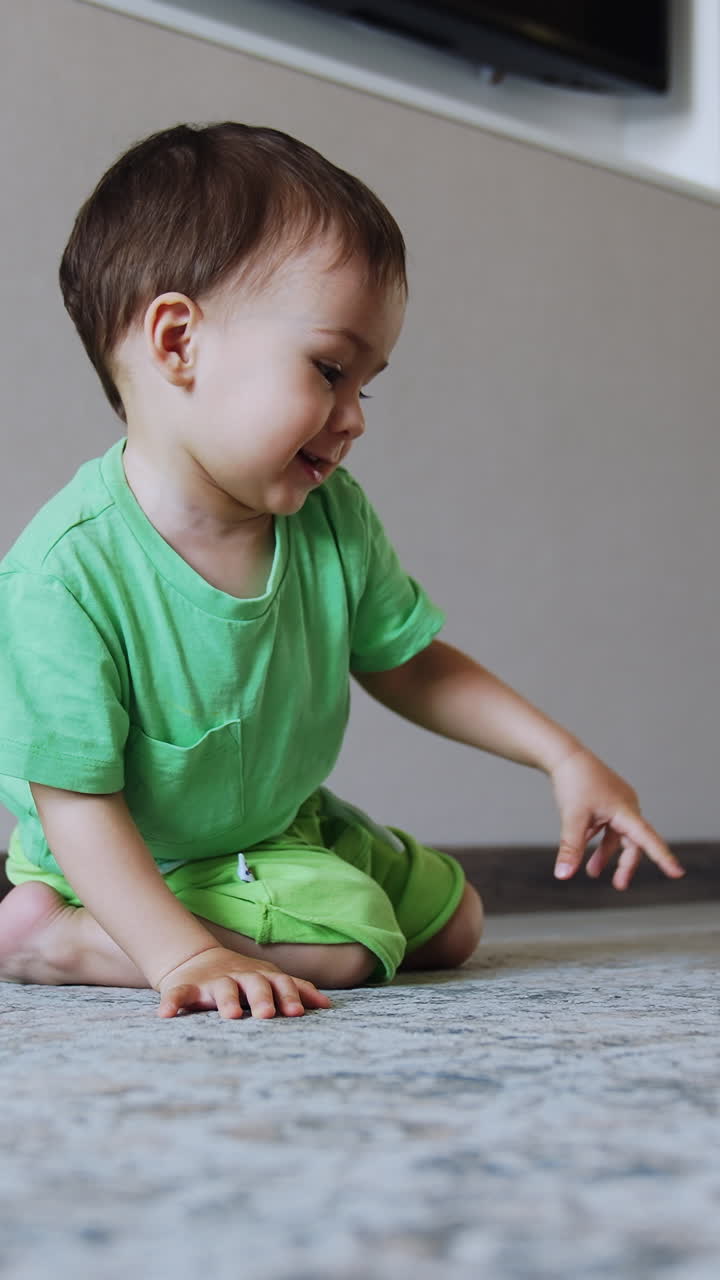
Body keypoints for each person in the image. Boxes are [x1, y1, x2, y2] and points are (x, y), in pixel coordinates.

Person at [0, 122, 685, 1021]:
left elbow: (407, 659)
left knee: (453, 922)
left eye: (369, 384)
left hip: (273, 825)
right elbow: (75, 806)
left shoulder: (329, 517)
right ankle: (53, 938)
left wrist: (561, 757)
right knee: (348, 946)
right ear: (177, 343)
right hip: (125, 856)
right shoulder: (65, 573)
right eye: (329, 370)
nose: (355, 417)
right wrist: (186, 954)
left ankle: (256, 892)